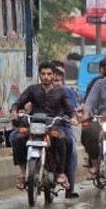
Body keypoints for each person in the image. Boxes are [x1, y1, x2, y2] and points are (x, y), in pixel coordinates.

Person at [10, 62, 78, 190]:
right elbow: (18, 103)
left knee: (65, 140)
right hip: (35, 125)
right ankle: (23, 172)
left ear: (53, 75)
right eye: (43, 74)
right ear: (39, 75)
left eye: (49, 74)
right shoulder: (32, 90)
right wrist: (14, 112)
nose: (46, 77)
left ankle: (61, 172)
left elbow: (70, 109)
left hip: (54, 125)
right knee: (17, 138)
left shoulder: (61, 92)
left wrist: (73, 117)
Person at [53, 61, 80, 198]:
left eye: (59, 78)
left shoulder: (67, 92)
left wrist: (73, 117)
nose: (56, 82)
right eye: (54, 78)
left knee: (73, 151)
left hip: (64, 126)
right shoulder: (37, 90)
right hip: (43, 127)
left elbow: (73, 110)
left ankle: (70, 187)